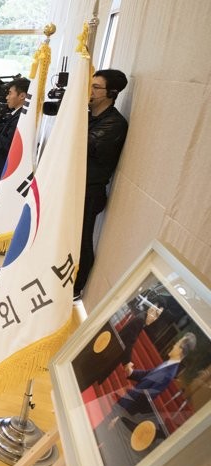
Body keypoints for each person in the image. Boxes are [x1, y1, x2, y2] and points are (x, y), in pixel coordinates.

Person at [75, 69, 130, 297]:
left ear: (112, 92)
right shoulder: (87, 116)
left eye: (96, 87)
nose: (90, 90)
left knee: (82, 240)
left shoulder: (115, 123)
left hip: (90, 191)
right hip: (74, 186)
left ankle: (76, 290)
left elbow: (83, 145)